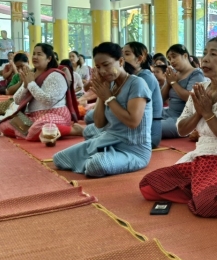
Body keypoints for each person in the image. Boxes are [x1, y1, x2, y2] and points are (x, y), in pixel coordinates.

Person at [139, 36, 217, 217]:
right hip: (202, 158)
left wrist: (208, 113)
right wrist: (199, 112)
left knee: (208, 205)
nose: (205, 59)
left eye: (213, 54)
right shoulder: (200, 89)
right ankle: (202, 190)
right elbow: (181, 129)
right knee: (149, 185)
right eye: (205, 53)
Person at [54, 43, 152, 177]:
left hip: (133, 149)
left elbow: (133, 122)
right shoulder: (110, 85)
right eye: (99, 67)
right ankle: (99, 156)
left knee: (95, 165)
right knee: (59, 158)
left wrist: (108, 97)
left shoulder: (137, 84)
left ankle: (98, 158)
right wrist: (102, 93)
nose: (103, 71)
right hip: (109, 140)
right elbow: (99, 123)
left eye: (106, 65)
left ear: (121, 61)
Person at [0, 44, 78, 141]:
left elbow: (48, 100)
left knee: (36, 129)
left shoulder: (56, 75)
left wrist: (31, 84)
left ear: (49, 58)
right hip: (35, 116)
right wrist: (25, 85)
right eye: (34, 54)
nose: (35, 57)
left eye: (39, 54)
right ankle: (41, 132)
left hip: (55, 114)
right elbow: (17, 100)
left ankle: (73, 130)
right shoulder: (31, 75)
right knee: (4, 125)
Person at [161, 44, 205, 139]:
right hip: (168, 112)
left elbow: (191, 98)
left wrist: (173, 83)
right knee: (142, 119)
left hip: (183, 118)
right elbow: (161, 98)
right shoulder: (174, 74)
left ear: (185, 56)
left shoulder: (196, 74)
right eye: (169, 58)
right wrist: (168, 83)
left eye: (174, 57)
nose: (171, 61)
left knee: (152, 127)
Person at [123, 41, 162, 148]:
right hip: (133, 127)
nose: (122, 58)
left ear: (139, 59)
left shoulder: (145, 77)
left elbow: (129, 108)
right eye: (121, 54)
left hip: (148, 133)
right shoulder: (132, 77)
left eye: (127, 54)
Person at [0, 53, 29, 119]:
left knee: (15, 113)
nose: (20, 70)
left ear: (28, 62)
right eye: (17, 67)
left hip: (26, 104)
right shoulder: (16, 75)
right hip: (14, 101)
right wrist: (20, 82)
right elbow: (9, 91)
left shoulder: (33, 74)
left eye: (22, 66)